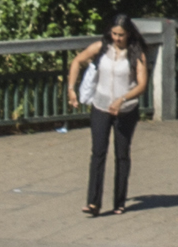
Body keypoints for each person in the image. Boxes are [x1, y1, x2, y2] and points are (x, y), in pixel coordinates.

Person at [65, 14, 149, 217]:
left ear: (128, 34)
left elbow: (142, 84)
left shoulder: (136, 53)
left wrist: (123, 99)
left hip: (125, 111)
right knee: (98, 152)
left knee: (121, 154)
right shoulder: (102, 47)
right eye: (114, 33)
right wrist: (71, 89)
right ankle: (93, 202)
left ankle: (119, 201)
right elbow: (77, 61)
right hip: (101, 107)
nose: (117, 38)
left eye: (121, 35)